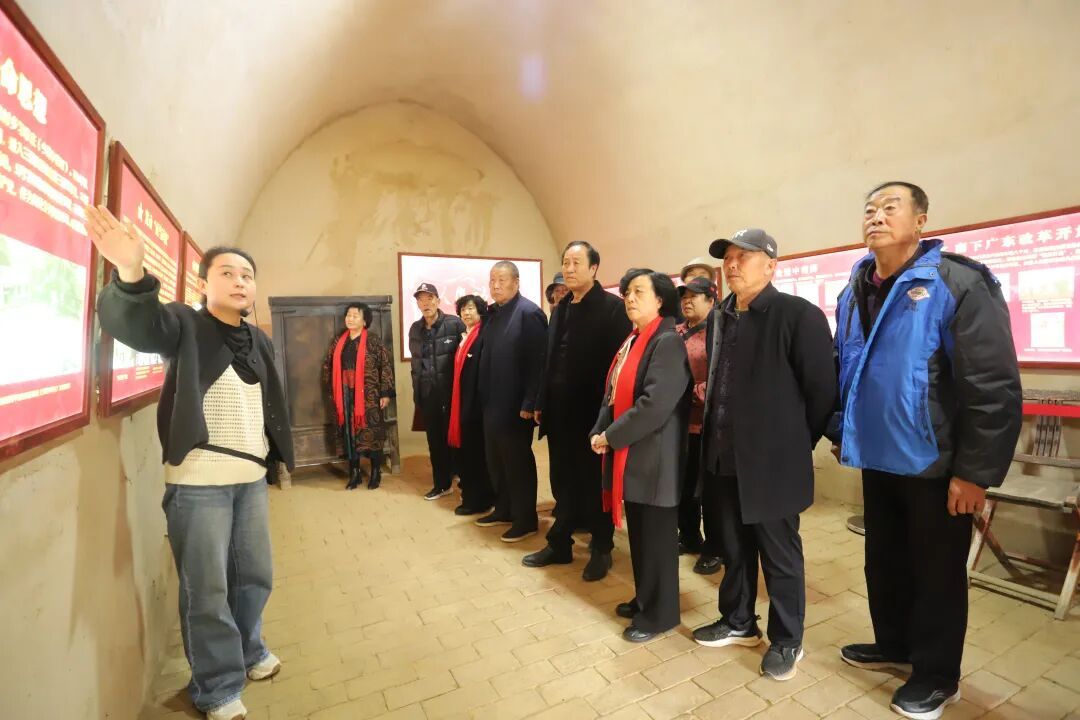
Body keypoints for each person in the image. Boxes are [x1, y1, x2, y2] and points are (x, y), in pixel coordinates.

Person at [89, 205, 294, 720]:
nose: (240, 281)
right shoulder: (184, 323)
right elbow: (140, 326)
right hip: (199, 483)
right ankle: (216, 686)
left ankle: (249, 651)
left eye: (247, 275)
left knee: (254, 576)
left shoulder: (260, 339)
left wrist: (275, 461)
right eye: (227, 272)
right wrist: (130, 271)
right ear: (204, 283)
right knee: (207, 588)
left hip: (250, 479)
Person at [831, 182, 1022, 720]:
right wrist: (841, 428)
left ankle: (937, 675)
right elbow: (846, 366)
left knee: (936, 572)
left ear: (921, 221)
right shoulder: (855, 287)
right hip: (877, 453)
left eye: (890, 208)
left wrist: (974, 472)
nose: (876, 216)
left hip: (936, 462)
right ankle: (894, 643)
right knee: (885, 561)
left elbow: (991, 384)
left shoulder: (956, 282)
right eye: (869, 209)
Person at [691, 229, 836, 683]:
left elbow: (821, 392)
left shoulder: (798, 315)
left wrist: (791, 443)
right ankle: (738, 621)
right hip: (722, 455)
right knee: (734, 548)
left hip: (773, 462)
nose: (732, 264)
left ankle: (788, 639)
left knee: (779, 556)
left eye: (744, 257)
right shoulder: (720, 316)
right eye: (728, 258)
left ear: (771, 265)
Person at [591, 268, 690, 643]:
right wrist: (599, 429)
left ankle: (660, 615)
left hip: (655, 457)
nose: (629, 298)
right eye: (626, 292)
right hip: (634, 453)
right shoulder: (634, 340)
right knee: (642, 536)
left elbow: (654, 405)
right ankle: (646, 598)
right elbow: (613, 394)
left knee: (657, 540)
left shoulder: (667, 342)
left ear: (661, 300)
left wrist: (610, 436)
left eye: (638, 292)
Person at [526, 241, 631, 581]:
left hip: (593, 415)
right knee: (563, 480)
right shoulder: (561, 309)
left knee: (594, 483)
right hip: (559, 413)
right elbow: (549, 360)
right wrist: (541, 401)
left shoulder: (613, 309)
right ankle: (560, 543)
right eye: (566, 263)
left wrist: (609, 417)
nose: (569, 269)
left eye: (576, 263)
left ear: (594, 268)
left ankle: (601, 547)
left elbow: (619, 369)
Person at [475, 261, 548, 542]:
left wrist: (530, 402)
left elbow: (538, 363)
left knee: (517, 464)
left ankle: (525, 519)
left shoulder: (528, 313)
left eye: (502, 280)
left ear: (516, 283)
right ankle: (504, 509)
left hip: (516, 406)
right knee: (496, 461)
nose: (495, 285)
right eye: (492, 280)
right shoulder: (493, 314)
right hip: (491, 403)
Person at [675, 276, 722, 575]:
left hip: (708, 426)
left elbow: (720, 378)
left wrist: (688, 392)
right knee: (683, 486)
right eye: (684, 297)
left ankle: (715, 548)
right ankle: (690, 536)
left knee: (710, 493)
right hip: (680, 426)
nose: (687, 301)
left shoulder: (717, 334)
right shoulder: (677, 332)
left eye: (694, 296)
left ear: (711, 300)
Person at [322, 303, 394, 490]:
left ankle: (376, 472)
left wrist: (385, 393)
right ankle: (354, 473)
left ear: (365, 320)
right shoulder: (339, 341)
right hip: (345, 394)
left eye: (355, 315)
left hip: (369, 395)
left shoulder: (373, 341)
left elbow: (385, 366)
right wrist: (333, 390)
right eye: (348, 315)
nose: (350, 318)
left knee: (372, 433)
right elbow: (328, 365)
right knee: (349, 433)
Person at [408, 282, 465, 500]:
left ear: (438, 301)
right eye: (421, 299)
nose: (425, 303)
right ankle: (442, 484)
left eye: (429, 298)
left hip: (452, 394)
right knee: (435, 441)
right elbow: (416, 364)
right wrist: (417, 392)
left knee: (458, 438)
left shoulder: (454, 324)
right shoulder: (415, 329)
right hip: (428, 393)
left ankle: (463, 478)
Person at [447, 294, 496, 515]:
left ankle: (478, 500)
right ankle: (473, 495)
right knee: (468, 453)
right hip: (463, 403)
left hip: (476, 406)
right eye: (463, 309)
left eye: (470, 308)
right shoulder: (465, 336)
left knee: (476, 455)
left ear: (480, 311)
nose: (466, 313)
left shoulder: (482, 336)